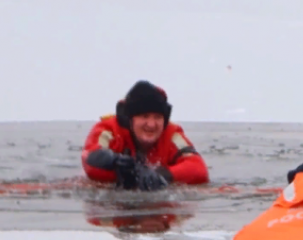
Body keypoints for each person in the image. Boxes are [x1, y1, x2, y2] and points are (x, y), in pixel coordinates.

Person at [81, 80, 209, 191]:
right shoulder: (108, 130)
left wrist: (161, 176)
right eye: (144, 116)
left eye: (158, 117)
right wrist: (117, 165)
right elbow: (89, 158)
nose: (151, 124)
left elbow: (199, 169)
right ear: (130, 119)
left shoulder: (172, 135)